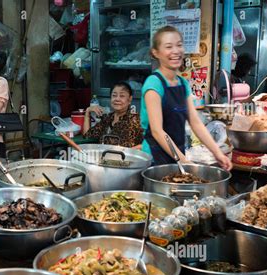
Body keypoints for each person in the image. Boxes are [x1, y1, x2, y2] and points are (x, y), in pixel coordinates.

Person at [141, 26, 232, 170]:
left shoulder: (183, 83)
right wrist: (183, 161)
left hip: (176, 156)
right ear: (156, 53)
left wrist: (217, 153)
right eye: (169, 47)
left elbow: (195, 122)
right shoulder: (154, 83)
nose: (176, 51)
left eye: (179, 45)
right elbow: (157, 131)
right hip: (154, 159)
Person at [82, 81, 143, 148]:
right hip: (104, 157)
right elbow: (87, 136)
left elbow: (149, 143)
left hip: (126, 157)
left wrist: (131, 151)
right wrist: (87, 113)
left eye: (122, 96)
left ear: (129, 99)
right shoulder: (107, 118)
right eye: (114, 95)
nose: (117, 99)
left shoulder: (136, 120)